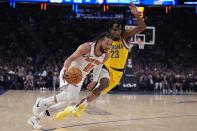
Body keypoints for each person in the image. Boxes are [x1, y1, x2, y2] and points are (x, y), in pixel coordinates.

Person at [56, 3, 146, 120]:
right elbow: (93, 51)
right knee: (104, 83)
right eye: (114, 30)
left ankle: (74, 108)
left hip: (117, 73)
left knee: (96, 94)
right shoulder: (105, 40)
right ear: (109, 30)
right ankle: (70, 102)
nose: (117, 32)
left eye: (119, 30)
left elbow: (142, 27)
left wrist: (136, 15)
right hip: (105, 67)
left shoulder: (124, 37)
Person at [27, 32, 113, 129]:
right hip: (70, 72)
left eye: (110, 44)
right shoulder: (86, 47)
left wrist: (94, 80)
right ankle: (41, 103)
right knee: (69, 96)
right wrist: (66, 71)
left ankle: (34, 119)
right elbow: (69, 59)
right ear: (99, 41)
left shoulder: (106, 55)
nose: (108, 47)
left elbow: (98, 67)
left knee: (64, 104)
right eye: (107, 44)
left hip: (80, 78)